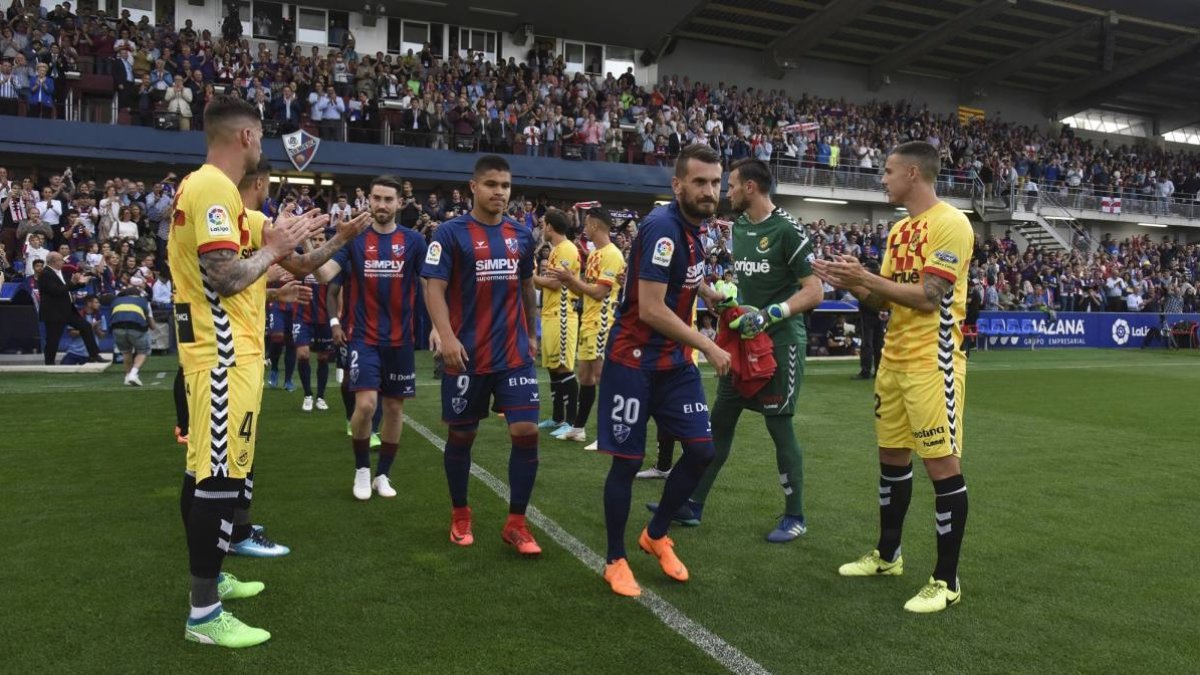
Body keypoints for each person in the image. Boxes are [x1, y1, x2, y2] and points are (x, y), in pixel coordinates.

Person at [170, 95, 327, 648]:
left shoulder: (217, 195)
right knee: (217, 483)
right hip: (222, 358)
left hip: (226, 357)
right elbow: (227, 277)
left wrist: (336, 236)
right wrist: (277, 246)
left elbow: (295, 262)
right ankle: (204, 613)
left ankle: (211, 584)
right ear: (245, 138)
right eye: (260, 135)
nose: (262, 144)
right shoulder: (212, 187)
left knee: (205, 476)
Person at [813, 140, 973, 614]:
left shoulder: (952, 223)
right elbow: (883, 301)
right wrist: (852, 284)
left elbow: (928, 297)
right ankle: (888, 556)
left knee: (941, 465)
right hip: (894, 361)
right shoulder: (899, 230)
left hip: (932, 363)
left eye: (887, 171)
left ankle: (946, 581)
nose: (881, 179)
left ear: (913, 174)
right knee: (891, 458)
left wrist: (866, 278)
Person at [654, 157, 822, 543]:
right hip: (744, 343)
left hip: (780, 344)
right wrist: (721, 298)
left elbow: (814, 291)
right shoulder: (742, 227)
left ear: (750, 187)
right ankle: (692, 504)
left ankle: (795, 515)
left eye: (729, 185)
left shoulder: (788, 230)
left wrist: (769, 315)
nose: (724, 192)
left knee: (779, 427)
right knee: (719, 421)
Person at [595, 144, 732, 598]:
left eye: (715, 182)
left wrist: (711, 294)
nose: (710, 190)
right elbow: (652, 310)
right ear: (677, 185)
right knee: (628, 462)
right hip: (633, 362)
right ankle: (615, 559)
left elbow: (683, 278)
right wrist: (708, 344)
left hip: (673, 364)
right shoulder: (662, 228)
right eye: (700, 182)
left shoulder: (697, 228)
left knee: (700, 450)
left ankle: (654, 534)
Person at [421, 154, 543, 556]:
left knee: (526, 432)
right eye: (492, 184)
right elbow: (432, 287)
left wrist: (533, 332)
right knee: (462, 435)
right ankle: (460, 514)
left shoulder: (521, 235)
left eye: (505, 186)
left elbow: (527, 287)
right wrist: (446, 335)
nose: (500, 192)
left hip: (513, 353)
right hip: (466, 357)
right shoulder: (449, 234)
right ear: (473, 187)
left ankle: (517, 524)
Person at [321, 175, 427, 501]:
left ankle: (383, 474)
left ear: (398, 203)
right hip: (364, 338)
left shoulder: (413, 242)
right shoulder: (354, 240)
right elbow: (324, 275)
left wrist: (439, 326)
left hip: (401, 340)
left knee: (395, 409)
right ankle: (362, 470)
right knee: (366, 405)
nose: (381, 205)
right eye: (376, 198)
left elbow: (428, 284)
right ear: (368, 200)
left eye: (388, 199)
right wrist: (323, 242)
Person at [547, 206, 625, 444]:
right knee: (585, 376)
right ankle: (578, 428)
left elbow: (600, 293)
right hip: (588, 321)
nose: (584, 228)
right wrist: (568, 281)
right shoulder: (595, 254)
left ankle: (608, 434)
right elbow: (585, 290)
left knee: (602, 377)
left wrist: (571, 279)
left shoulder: (612, 254)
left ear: (595, 225)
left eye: (587, 223)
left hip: (603, 321)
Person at [532, 208, 581, 437]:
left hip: (563, 314)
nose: (543, 228)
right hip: (551, 314)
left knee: (564, 367)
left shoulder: (567, 249)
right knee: (553, 367)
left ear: (550, 227)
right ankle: (557, 417)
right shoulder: (555, 250)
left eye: (544, 224)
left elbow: (554, 284)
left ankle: (571, 422)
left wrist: (529, 277)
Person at [38, 251, 104, 364]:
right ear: (53, 261)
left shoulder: (59, 272)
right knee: (53, 340)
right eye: (60, 260)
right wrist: (72, 282)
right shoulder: (46, 274)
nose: (63, 261)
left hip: (66, 310)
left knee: (85, 326)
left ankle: (93, 355)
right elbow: (56, 291)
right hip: (54, 312)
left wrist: (81, 283)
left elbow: (67, 288)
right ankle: (49, 363)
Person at [110, 278, 156, 385]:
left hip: (117, 327)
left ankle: (127, 377)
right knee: (143, 351)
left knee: (126, 352)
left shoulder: (117, 300)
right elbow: (152, 325)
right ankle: (133, 374)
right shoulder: (143, 301)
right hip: (135, 326)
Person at [855, 259, 886, 378]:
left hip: (868, 314)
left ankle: (865, 371)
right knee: (878, 343)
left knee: (867, 343)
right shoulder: (881, 280)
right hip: (879, 313)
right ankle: (878, 370)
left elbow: (864, 297)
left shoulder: (866, 280)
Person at [57, 293, 106, 365]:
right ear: (89, 303)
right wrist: (89, 328)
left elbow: (102, 336)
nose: (99, 304)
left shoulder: (100, 316)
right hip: (74, 351)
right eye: (96, 302)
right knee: (63, 369)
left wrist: (96, 329)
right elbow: (71, 333)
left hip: (89, 354)